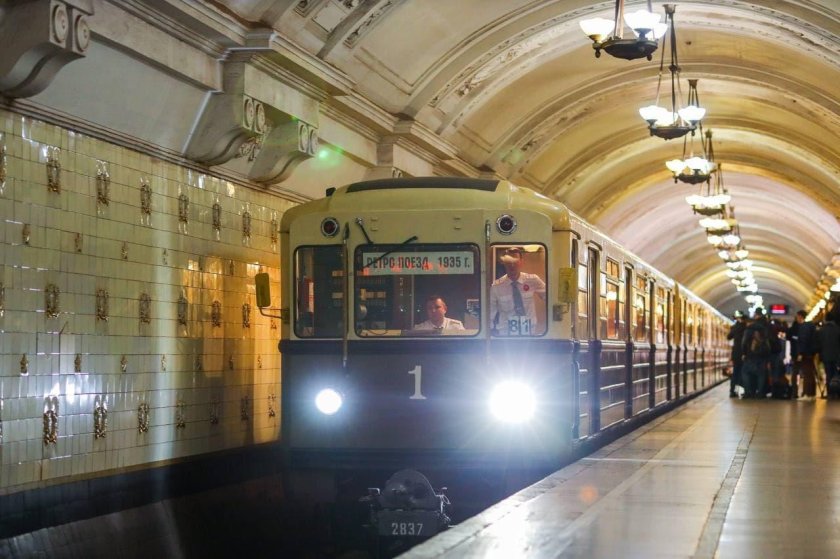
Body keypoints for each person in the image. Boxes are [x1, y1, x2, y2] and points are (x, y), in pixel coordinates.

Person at [490, 247, 546, 335]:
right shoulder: (496, 287)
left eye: (515, 262)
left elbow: (550, 298)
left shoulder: (533, 280)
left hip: (529, 331)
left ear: (521, 262)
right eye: (509, 262)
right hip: (505, 334)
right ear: (504, 263)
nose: (512, 265)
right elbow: (490, 313)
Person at [740, 308, 771, 399]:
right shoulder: (764, 329)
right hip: (762, 355)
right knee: (761, 374)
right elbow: (767, 343)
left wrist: (744, 353)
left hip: (750, 355)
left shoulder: (748, 329)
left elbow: (744, 343)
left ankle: (748, 392)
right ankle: (760, 393)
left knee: (745, 372)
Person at [794, 310, 819, 401]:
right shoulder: (811, 326)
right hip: (811, 353)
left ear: (800, 316)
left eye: (797, 316)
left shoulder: (804, 327)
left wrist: (800, 353)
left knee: (806, 374)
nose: (796, 318)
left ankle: (807, 394)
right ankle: (812, 394)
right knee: (810, 374)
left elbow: (803, 341)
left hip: (806, 353)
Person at [727, 311, 747, 397]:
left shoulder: (734, 327)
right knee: (743, 373)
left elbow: (729, 337)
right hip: (745, 353)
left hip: (736, 353)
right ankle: (743, 391)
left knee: (735, 373)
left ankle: (732, 391)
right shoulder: (746, 327)